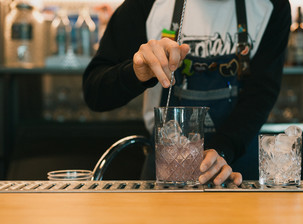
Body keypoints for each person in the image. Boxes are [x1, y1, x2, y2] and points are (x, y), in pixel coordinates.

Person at [83, 0, 291, 186]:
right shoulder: (147, 4)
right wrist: (136, 73)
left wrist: (222, 149)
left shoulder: (271, 6)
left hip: (235, 167)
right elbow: (95, 92)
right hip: (166, 171)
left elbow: (260, 95)